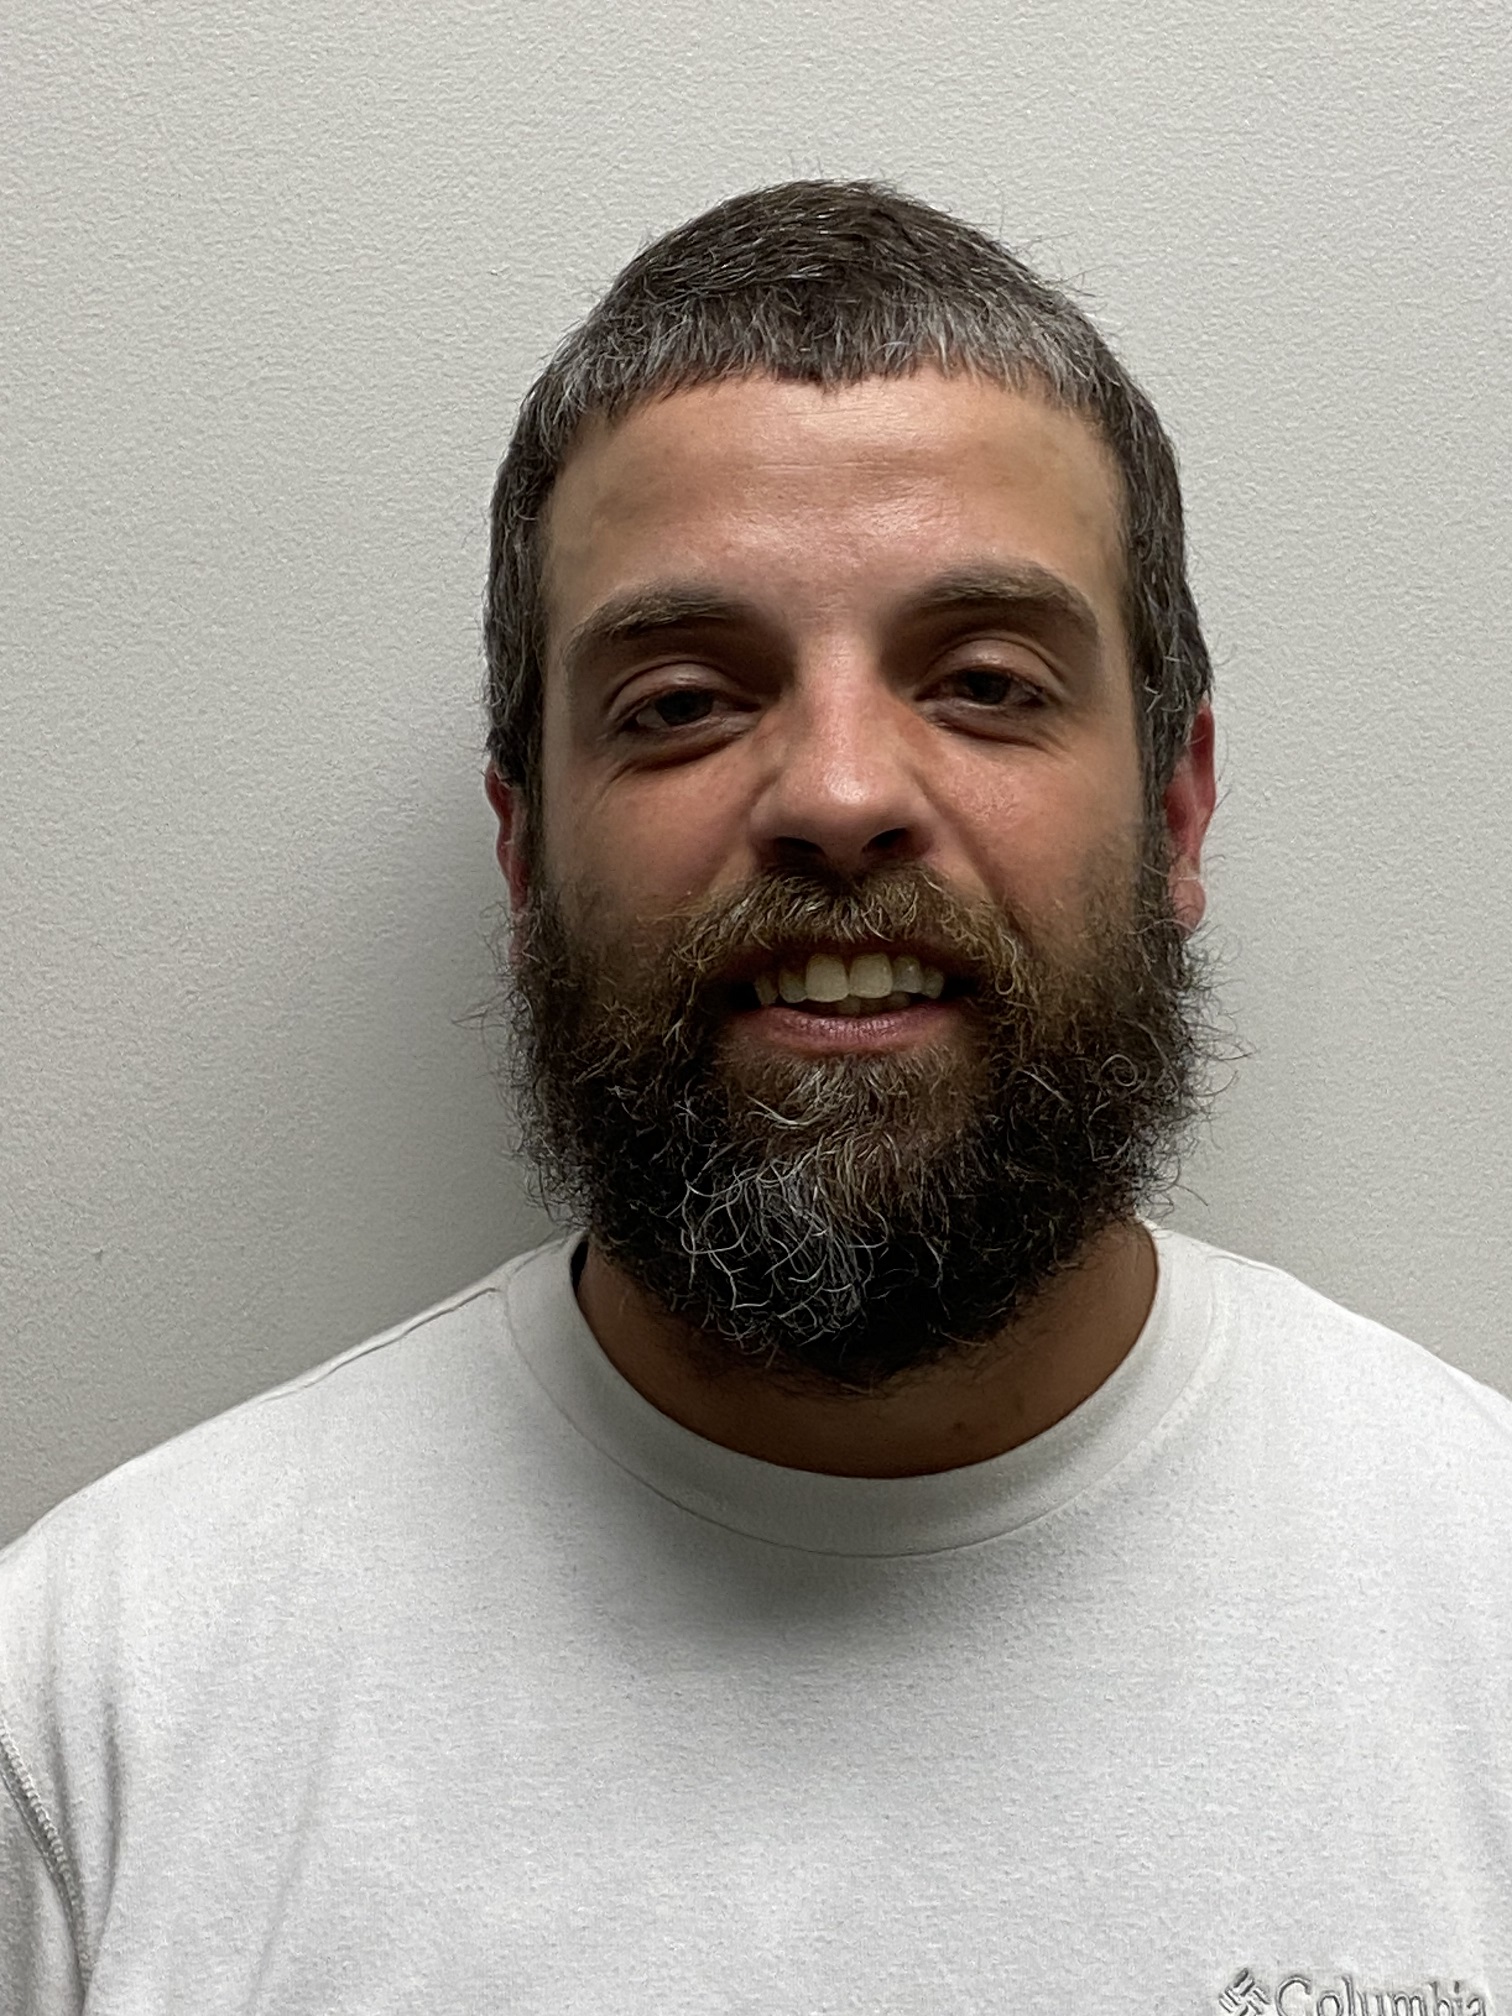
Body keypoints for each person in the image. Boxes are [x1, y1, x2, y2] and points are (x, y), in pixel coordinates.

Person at [2, 180, 1507, 2014]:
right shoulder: (98, 1709)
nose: (841, 795)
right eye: (682, 702)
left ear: (1177, 814)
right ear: (525, 852)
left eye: (986, 680)